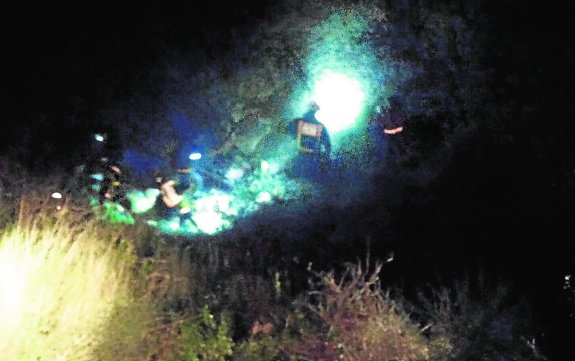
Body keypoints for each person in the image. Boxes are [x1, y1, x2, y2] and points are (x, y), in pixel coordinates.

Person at [287, 102, 331, 178]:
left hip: (298, 161)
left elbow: (286, 135)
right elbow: (328, 146)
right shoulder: (321, 126)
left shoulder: (297, 122)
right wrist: (324, 162)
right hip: (313, 163)